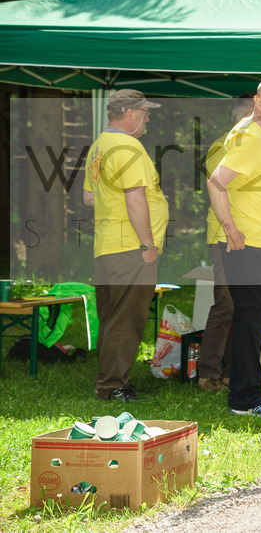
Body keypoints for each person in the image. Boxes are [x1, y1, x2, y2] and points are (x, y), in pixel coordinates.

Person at [207, 79, 261, 417]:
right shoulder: (254, 136)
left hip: (258, 240)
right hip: (248, 241)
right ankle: (245, 399)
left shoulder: (258, 132)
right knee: (253, 318)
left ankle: (249, 391)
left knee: (254, 316)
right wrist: (231, 229)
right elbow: (217, 182)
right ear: (258, 102)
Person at [83, 89, 168, 401]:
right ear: (129, 113)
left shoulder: (99, 146)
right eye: (145, 112)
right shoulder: (128, 146)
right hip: (130, 246)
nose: (148, 118)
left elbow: (89, 197)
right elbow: (135, 197)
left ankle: (109, 381)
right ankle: (113, 386)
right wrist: (148, 243)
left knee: (112, 316)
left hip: (106, 244)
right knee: (126, 319)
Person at [197, 94, 261, 394]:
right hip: (228, 236)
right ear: (248, 114)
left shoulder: (247, 144)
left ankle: (232, 372)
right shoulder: (226, 145)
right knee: (226, 305)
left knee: (241, 306)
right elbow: (220, 185)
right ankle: (208, 373)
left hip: (245, 236)